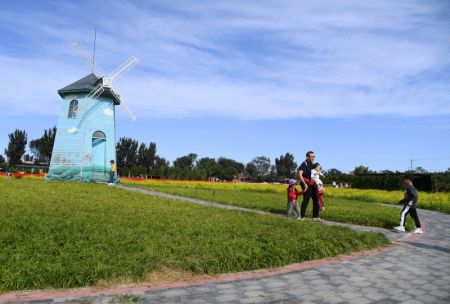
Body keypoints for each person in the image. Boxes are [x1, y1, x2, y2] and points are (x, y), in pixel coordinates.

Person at [297, 151, 320, 219]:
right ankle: (302, 216)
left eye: (314, 156)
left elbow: (314, 173)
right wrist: (304, 184)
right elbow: (299, 174)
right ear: (307, 157)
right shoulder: (304, 164)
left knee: (316, 199)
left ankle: (315, 216)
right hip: (306, 183)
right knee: (306, 199)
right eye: (312, 156)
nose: (313, 158)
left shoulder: (313, 164)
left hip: (313, 183)